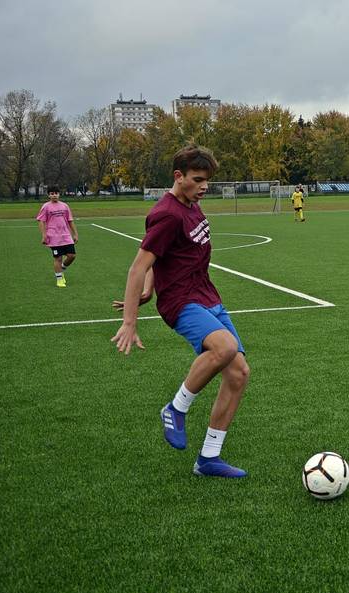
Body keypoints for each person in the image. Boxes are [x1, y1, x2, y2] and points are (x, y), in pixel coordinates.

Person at [110, 145, 250, 478]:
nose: (204, 187)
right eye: (197, 180)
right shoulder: (168, 214)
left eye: (207, 181)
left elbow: (167, 258)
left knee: (238, 373)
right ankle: (175, 408)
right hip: (181, 301)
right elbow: (138, 265)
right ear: (179, 177)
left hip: (207, 296)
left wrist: (148, 289)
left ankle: (208, 459)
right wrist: (131, 321)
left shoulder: (193, 207)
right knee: (225, 347)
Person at [36, 185, 79, 288]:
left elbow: (70, 220)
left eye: (56, 193)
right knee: (58, 258)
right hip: (53, 237)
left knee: (72, 256)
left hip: (66, 236)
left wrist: (75, 234)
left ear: (59, 194)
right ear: (49, 195)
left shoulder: (65, 206)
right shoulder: (46, 206)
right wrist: (44, 235)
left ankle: (62, 269)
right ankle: (59, 279)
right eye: (52, 194)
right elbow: (41, 221)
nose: (54, 195)